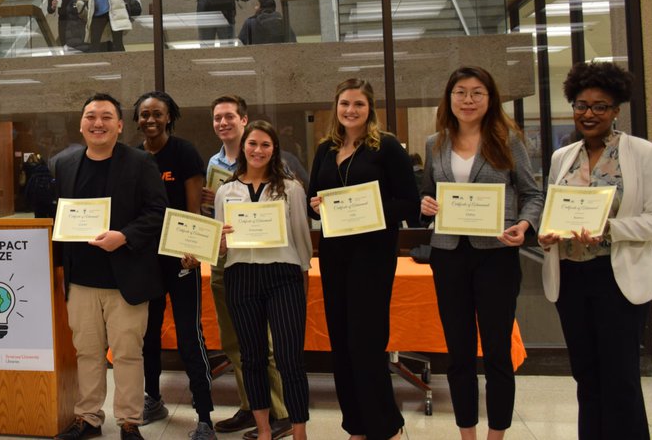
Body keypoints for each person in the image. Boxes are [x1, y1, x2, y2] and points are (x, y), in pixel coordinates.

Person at [537, 62, 652, 439]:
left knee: (621, 378)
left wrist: (610, 228)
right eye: (581, 105)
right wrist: (546, 235)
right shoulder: (562, 158)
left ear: (616, 110)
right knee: (586, 376)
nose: (589, 114)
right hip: (571, 278)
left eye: (600, 106)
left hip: (618, 279)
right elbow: (554, 212)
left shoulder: (642, 154)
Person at [418, 67, 543, 439]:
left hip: (496, 256)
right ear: (449, 98)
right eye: (460, 92)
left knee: (496, 353)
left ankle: (497, 434)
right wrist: (424, 204)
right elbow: (426, 192)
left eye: (477, 93)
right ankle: (467, 433)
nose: (468, 100)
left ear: (490, 99)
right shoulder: (434, 143)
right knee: (458, 353)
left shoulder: (507, 140)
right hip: (448, 254)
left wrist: (524, 225)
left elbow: (532, 193)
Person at [51, 93, 167, 440]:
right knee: (87, 354)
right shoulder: (65, 164)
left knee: (129, 355)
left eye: (105, 117)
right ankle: (88, 417)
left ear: (119, 125)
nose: (97, 123)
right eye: (90, 116)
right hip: (81, 281)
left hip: (126, 280)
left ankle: (129, 421)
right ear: (81, 124)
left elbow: (158, 212)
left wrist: (125, 237)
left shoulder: (140, 162)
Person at [307, 79, 417, 440]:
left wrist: (370, 209)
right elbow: (314, 196)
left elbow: (409, 202)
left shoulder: (386, 147)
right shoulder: (325, 149)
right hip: (335, 255)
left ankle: (386, 426)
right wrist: (319, 205)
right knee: (341, 343)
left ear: (370, 108)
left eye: (358, 104)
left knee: (365, 344)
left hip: (372, 256)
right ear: (335, 107)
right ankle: (355, 425)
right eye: (344, 104)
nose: (350, 111)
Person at [200, 95, 300, 440]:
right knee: (236, 342)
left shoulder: (278, 163)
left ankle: (282, 412)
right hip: (228, 263)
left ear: (244, 120)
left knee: (267, 346)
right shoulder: (213, 165)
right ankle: (250, 406)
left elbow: (295, 217)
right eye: (217, 118)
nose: (222, 123)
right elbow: (214, 220)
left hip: (269, 266)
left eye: (229, 117)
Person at [131, 91, 215, 440]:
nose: (150, 120)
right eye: (144, 114)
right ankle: (153, 398)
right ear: (136, 119)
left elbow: (194, 210)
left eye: (158, 114)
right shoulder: (133, 157)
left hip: (181, 257)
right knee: (147, 334)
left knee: (188, 335)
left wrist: (193, 249)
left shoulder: (184, 153)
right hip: (145, 259)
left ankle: (205, 416)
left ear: (169, 118)